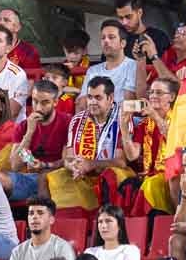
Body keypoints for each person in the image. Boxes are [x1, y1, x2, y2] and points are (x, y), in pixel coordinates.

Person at [47, 76, 134, 213]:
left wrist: (91, 164)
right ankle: (73, 224)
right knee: (58, 177)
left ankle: (108, 219)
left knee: (111, 174)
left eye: (98, 98)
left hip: (111, 174)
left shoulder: (122, 119)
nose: (92, 102)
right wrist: (74, 167)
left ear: (110, 98)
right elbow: (69, 157)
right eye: (89, 97)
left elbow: (121, 162)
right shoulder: (77, 120)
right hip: (83, 175)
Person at [119, 76, 177, 214]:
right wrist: (124, 128)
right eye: (151, 92)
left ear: (172, 97)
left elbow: (175, 142)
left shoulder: (178, 119)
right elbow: (132, 155)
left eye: (159, 92)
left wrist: (155, 116)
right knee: (126, 186)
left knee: (150, 184)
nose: (153, 96)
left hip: (170, 176)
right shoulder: (144, 124)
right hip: (147, 174)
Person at [9, 79, 72, 198]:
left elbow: (67, 160)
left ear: (55, 102)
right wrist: (29, 132)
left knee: (43, 178)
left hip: (58, 175)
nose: (38, 107)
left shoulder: (67, 122)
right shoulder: (24, 126)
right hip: (30, 177)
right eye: (35, 101)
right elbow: (15, 165)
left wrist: (44, 165)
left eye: (45, 103)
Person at [8, 198, 76, 260]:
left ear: (51, 220)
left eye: (40, 213)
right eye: (31, 213)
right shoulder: (17, 252)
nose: (34, 217)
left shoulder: (62, 248)